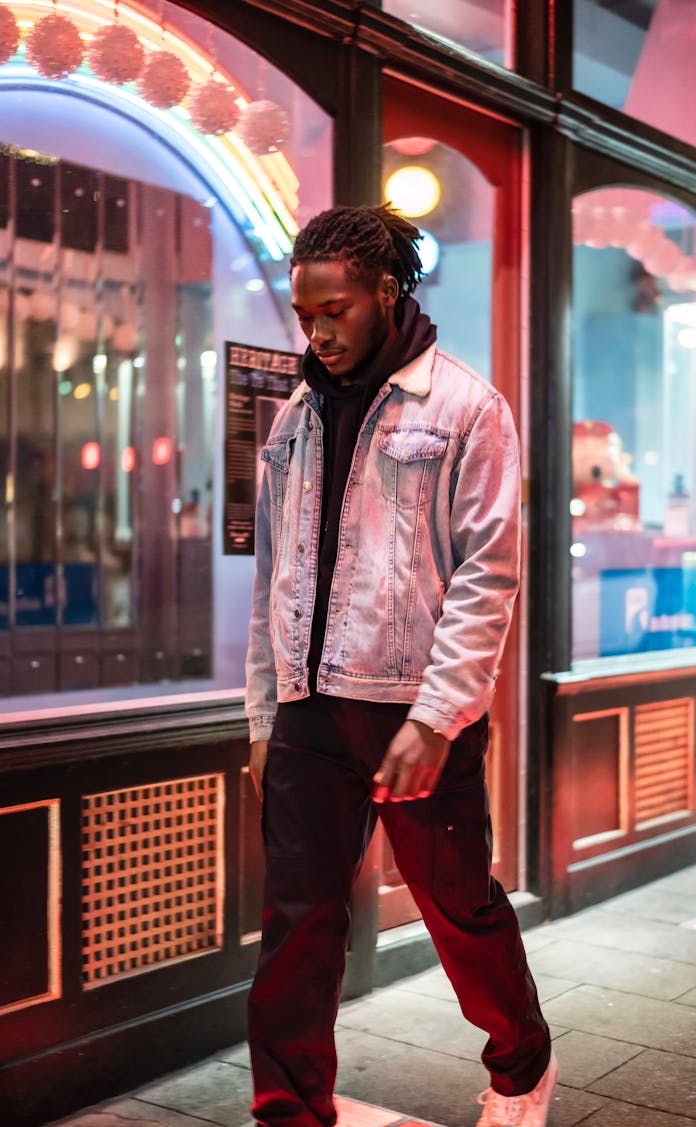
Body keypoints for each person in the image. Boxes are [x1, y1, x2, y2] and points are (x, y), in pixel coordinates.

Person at [245, 204, 556, 1127]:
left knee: (459, 907)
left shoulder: (464, 406)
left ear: (387, 293)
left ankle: (521, 1068)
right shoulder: (294, 418)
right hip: (307, 711)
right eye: (305, 314)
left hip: (416, 709)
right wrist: (265, 717)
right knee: (296, 925)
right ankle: (289, 1111)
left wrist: (437, 717)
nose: (317, 330)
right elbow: (274, 576)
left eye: (334, 309)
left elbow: (488, 575)